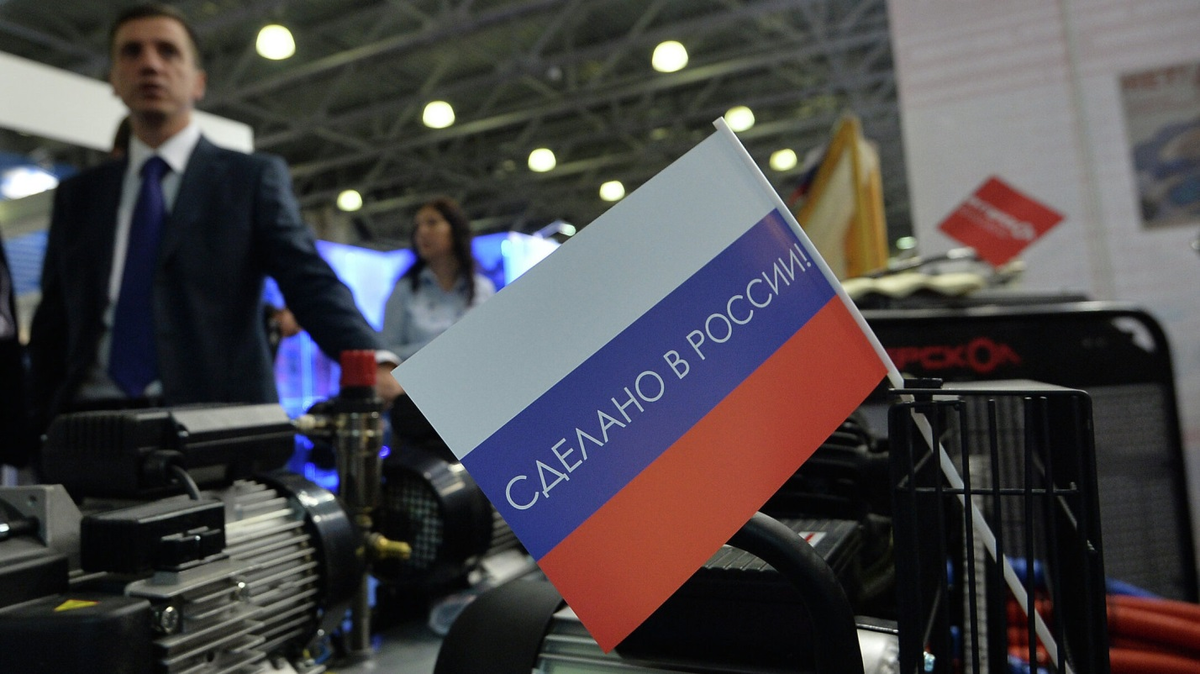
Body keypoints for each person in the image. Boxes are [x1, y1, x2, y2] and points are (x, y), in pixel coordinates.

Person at [27, 4, 401, 443]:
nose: (150, 64)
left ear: (198, 82)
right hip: (90, 427)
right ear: (113, 79)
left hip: (215, 426)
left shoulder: (250, 179)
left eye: (168, 51)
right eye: (131, 52)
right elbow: (54, 320)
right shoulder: (79, 196)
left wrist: (370, 360)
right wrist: (36, 429)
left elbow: (307, 278)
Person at [380, 197, 494, 457]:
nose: (422, 231)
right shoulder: (404, 292)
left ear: (455, 229)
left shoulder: (483, 289)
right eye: (417, 226)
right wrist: (442, 348)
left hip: (474, 410)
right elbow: (388, 355)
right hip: (418, 416)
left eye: (432, 223)